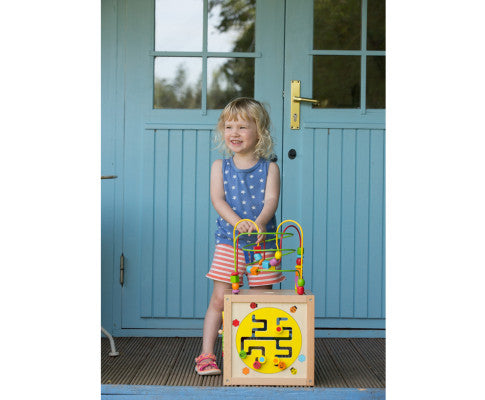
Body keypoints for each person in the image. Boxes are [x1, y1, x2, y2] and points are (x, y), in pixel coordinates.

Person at [195, 97, 285, 375]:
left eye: (243, 127)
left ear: (260, 132)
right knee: (219, 300)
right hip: (229, 242)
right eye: (229, 126)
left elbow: (271, 200)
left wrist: (257, 224)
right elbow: (218, 200)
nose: (234, 133)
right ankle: (207, 355)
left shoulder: (270, 167)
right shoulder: (218, 167)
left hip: (263, 245)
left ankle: (254, 356)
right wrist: (238, 223)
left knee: (257, 302)